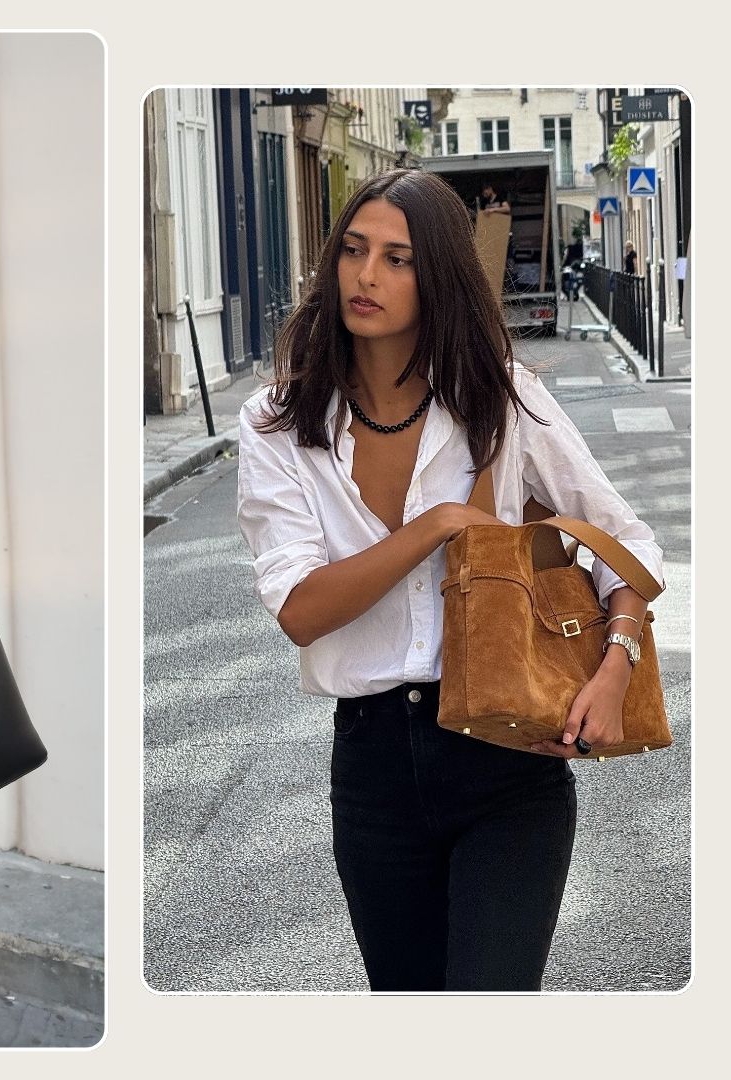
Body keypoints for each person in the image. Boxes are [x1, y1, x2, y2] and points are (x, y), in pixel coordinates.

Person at [235, 168, 662, 991]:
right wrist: (435, 526)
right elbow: (300, 609)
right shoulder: (279, 426)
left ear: (438, 278)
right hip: (374, 768)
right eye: (354, 252)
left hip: (507, 757)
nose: (367, 276)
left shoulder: (502, 401)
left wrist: (618, 666)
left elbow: (621, 541)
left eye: (399, 259)